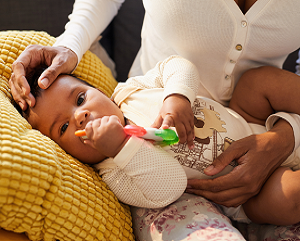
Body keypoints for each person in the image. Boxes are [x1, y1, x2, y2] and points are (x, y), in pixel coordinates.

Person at [9, 0, 300, 238]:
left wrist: (178, 96)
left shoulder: (131, 92)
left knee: (258, 82)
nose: (80, 116)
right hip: (239, 193)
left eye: (81, 99)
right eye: (63, 127)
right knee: (290, 199)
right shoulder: (114, 172)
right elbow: (168, 188)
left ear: (101, 91)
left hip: (248, 113)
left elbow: (175, 65)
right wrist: (121, 147)